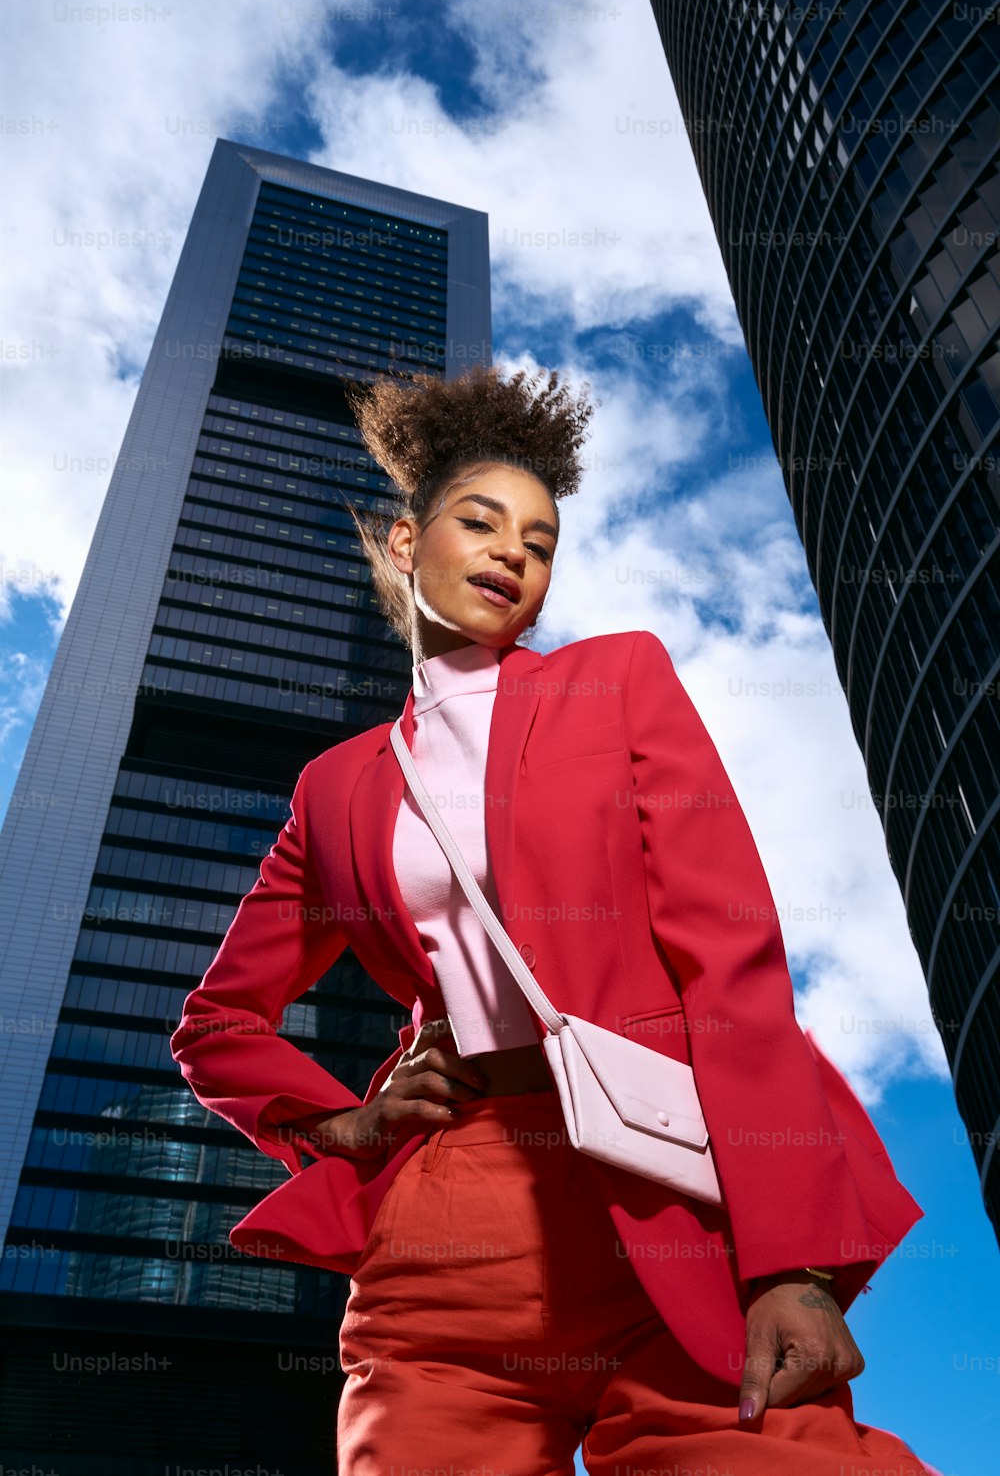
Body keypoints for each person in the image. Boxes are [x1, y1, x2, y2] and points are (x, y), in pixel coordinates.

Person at [170, 365, 937, 1474]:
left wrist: (791, 1264)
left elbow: (732, 962)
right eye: (479, 520)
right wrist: (338, 1122)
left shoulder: (616, 680)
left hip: (664, 1180)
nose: (512, 552)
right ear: (402, 543)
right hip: (451, 1214)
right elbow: (219, 1025)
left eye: (539, 541)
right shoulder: (335, 789)